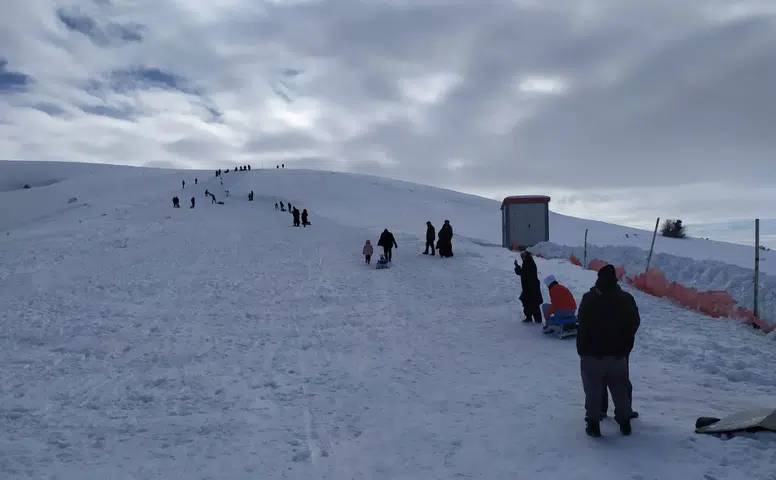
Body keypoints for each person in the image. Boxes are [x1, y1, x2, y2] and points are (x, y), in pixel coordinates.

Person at [577, 264, 640, 437]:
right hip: (618, 355)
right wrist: (626, 345)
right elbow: (634, 323)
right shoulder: (626, 299)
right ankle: (625, 423)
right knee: (620, 390)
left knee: (593, 390)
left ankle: (593, 424)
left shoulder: (589, 298)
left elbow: (582, 324)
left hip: (592, 355)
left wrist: (582, 350)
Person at [514, 251, 543, 323]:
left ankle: (537, 319)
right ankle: (529, 317)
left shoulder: (530, 263)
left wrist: (518, 269)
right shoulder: (527, 262)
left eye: (523, 256)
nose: (522, 258)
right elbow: (524, 273)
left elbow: (525, 274)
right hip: (527, 287)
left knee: (534, 303)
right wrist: (517, 267)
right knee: (526, 302)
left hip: (532, 287)